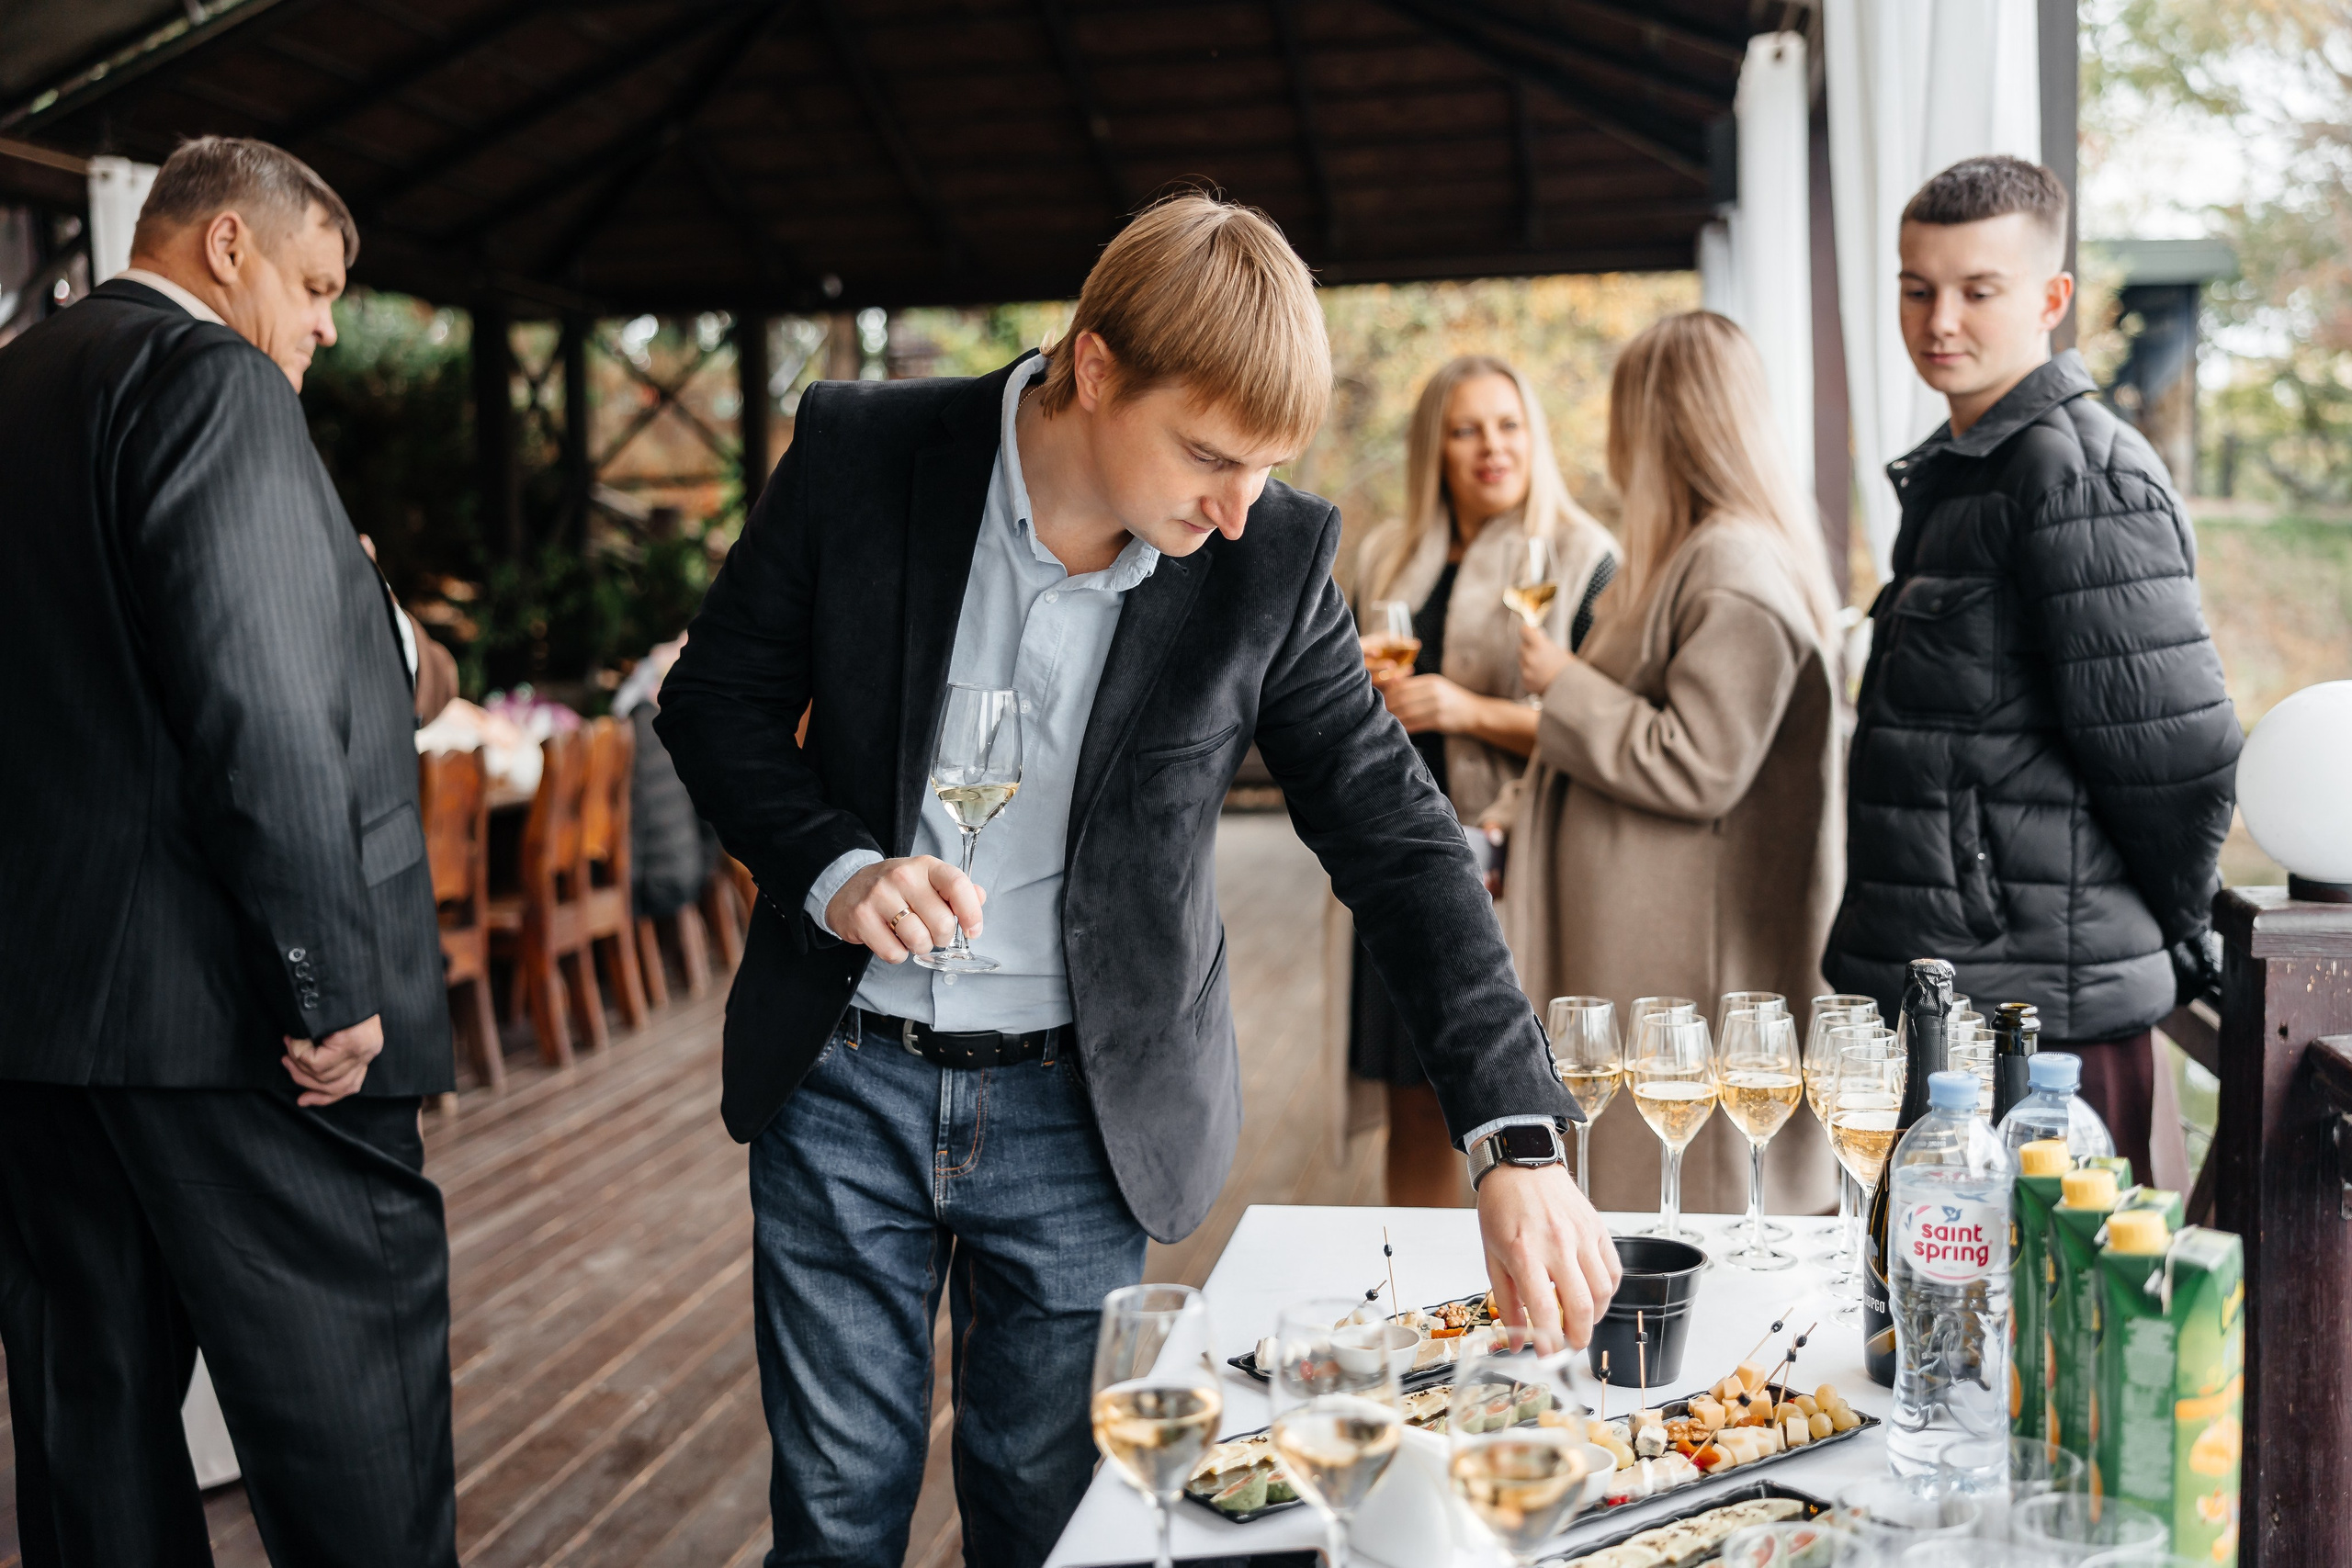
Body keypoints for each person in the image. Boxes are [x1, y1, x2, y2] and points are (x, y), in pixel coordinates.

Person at [654, 194, 1621, 1568]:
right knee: (834, 1513)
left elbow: (1398, 837)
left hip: (1082, 1106)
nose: (1235, 511)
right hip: (842, 1079)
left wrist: (1513, 1134)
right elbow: (717, 702)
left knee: (1057, 1519)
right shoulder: (862, 452)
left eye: (1262, 470)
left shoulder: (1269, 556)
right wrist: (833, 868)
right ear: (1093, 368)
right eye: (1214, 457)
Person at [0, 138, 458, 1567]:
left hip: (38, 1025)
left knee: (93, 1437)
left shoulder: (15, 384)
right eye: (317, 286)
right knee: (354, 1434)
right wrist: (321, 982)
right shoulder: (210, 383)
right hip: (235, 1023)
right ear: (225, 249)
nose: (326, 324)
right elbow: (259, 701)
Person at [1820, 156, 2242, 1186]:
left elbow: (2179, 759)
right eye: (1917, 288)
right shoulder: (1964, 470)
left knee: (2057, 1337)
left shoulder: (2081, 472)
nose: (1939, 320)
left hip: (2047, 1025)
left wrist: (2177, 934)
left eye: (1977, 289)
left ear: (2052, 299)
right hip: (1956, 1000)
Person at [1500, 311, 1845, 1218]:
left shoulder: (1730, 569)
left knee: (1691, 1200)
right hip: (1647, 941)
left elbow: (1701, 762)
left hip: (1689, 960)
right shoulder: (1689, 557)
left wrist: (1563, 683)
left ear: (1657, 426)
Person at [1332, 355, 1620, 1206]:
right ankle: (1417, 1303)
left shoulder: (1584, 556)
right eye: (1466, 429)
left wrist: (1462, 708)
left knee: (1515, 1096)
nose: (1491, 447)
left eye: (1507, 425)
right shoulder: (1389, 552)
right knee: (1412, 1097)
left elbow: (1597, 730)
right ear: (1436, 446)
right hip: (1394, 856)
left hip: (1506, 863)